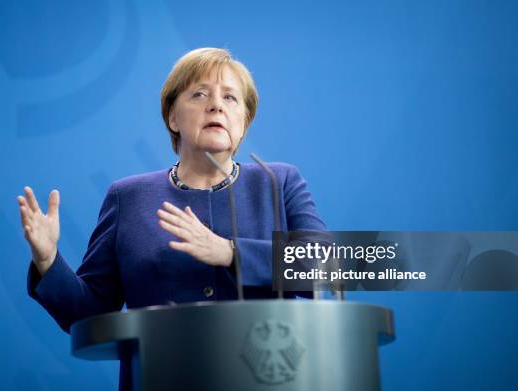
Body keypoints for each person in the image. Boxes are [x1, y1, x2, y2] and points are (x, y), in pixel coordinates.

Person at [17, 47, 327, 389]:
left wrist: (230, 253)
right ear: (173, 118)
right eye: (199, 94)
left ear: (243, 123)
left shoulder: (277, 181)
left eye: (230, 97)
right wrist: (48, 261)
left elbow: (327, 266)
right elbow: (89, 315)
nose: (216, 105)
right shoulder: (127, 197)